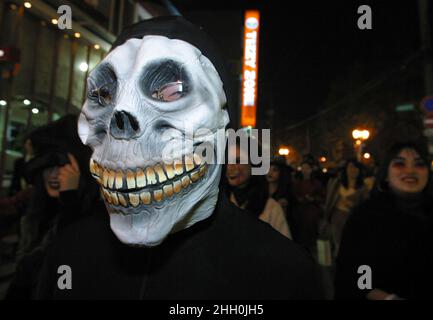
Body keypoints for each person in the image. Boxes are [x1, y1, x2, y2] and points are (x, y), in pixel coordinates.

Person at [35, 16, 321, 299]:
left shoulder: (281, 274)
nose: (119, 119)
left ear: (223, 124)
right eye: (104, 95)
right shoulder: (67, 255)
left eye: (172, 92)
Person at [5, 115, 101, 299]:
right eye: (49, 166)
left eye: (62, 165)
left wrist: (69, 198)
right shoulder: (37, 213)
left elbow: (67, 273)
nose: (55, 175)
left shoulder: (91, 219)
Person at [335, 142, 433, 300]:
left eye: (419, 164)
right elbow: (358, 274)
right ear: (386, 175)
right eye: (400, 164)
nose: (410, 171)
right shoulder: (366, 217)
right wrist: (385, 298)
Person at [225, 144, 292, 239]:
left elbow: (285, 250)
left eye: (237, 161)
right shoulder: (217, 204)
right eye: (227, 161)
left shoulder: (271, 208)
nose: (230, 167)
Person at [322, 158, 370, 258]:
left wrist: (353, 206)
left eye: (356, 168)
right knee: (338, 247)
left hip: (353, 221)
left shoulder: (363, 188)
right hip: (337, 219)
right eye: (351, 167)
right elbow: (329, 201)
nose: (354, 170)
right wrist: (326, 218)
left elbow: (366, 207)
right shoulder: (336, 184)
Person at [292, 160, 325, 250]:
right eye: (303, 168)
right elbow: (294, 195)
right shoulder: (297, 182)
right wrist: (299, 199)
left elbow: (322, 197)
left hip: (312, 211)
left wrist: (313, 199)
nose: (305, 170)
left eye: (307, 168)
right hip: (300, 211)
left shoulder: (317, 183)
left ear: (311, 170)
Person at [266, 157, 297, 234]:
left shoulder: (286, 194)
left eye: (274, 170)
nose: (270, 173)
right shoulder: (260, 191)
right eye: (268, 169)